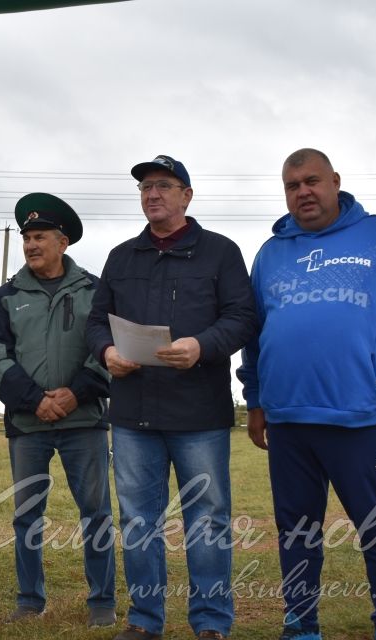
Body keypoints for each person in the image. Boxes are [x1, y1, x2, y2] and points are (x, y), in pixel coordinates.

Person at [238, 148, 376, 640]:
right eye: (291, 185)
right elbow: (254, 334)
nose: (303, 192)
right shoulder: (270, 254)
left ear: (335, 182)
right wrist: (258, 400)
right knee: (297, 534)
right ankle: (301, 625)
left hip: (359, 419)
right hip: (287, 421)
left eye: (311, 181)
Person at [86, 155, 257, 640]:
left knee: (208, 519)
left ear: (187, 195)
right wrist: (107, 351)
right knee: (139, 520)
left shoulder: (220, 253)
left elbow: (243, 317)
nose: (152, 194)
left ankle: (210, 623)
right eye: (144, 188)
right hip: (134, 411)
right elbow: (97, 320)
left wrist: (203, 345)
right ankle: (144, 622)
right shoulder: (121, 256)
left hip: (199, 413)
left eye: (163, 185)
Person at [0, 193, 116, 627]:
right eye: (26, 237)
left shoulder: (95, 290)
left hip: (86, 422)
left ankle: (101, 602)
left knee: (95, 512)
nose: (30, 244)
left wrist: (75, 394)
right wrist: (34, 400)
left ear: (63, 242)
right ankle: (29, 600)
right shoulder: (6, 296)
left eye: (39, 236)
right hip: (28, 424)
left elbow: (107, 350)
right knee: (27, 516)